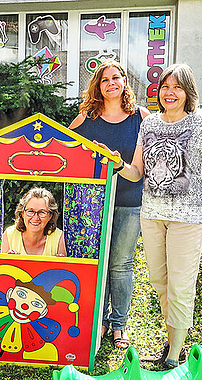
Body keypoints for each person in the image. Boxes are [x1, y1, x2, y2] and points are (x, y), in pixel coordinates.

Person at [116, 63, 202, 369]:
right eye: (165, 87)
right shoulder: (149, 125)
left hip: (189, 220)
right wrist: (117, 164)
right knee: (160, 282)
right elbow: (137, 173)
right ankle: (172, 340)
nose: (169, 93)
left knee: (180, 286)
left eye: (176, 87)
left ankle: (174, 356)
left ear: (188, 91)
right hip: (151, 215)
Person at [68, 60, 150, 349]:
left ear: (125, 82)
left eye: (117, 78)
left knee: (121, 264)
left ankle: (119, 326)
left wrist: (117, 162)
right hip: (92, 204)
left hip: (130, 200)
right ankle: (98, 322)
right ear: (97, 86)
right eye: (105, 80)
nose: (111, 83)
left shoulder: (141, 117)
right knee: (96, 263)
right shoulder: (85, 117)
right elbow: (66, 154)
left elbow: (138, 171)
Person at [0, 187, 67, 256]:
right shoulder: (9, 235)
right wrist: (9, 262)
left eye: (42, 212)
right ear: (22, 213)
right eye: (30, 211)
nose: (35, 218)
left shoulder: (58, 237)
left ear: (50, 216)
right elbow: (1, 266)